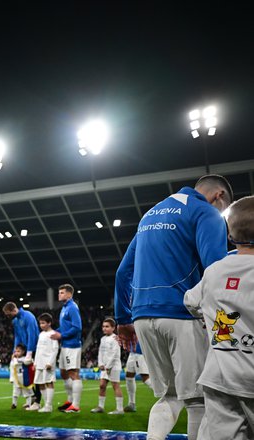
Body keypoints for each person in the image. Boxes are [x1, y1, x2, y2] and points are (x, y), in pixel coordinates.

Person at [115, 174, 233, 440]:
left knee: (169, 396)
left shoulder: (150, 215)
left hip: (142, 317)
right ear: (219, 197)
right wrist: (220, 320)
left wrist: (123, 319)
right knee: (198, 400)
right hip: (182, 314)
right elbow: (215, 269)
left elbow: (123, 272)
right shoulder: (205, 212)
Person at [184, 195, 254, 440]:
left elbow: (190, 301)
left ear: (230, 236)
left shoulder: (214, 270)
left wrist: (207, 314)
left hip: (219, 377)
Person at [2, 301, 42, 410]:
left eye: (8, 314)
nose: (8, 317)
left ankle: (38, 402)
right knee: (27, 376)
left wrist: (29, 353)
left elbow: (32, 335)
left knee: (35, 376)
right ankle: (33, 399)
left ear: (13, 310)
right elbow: (17, 337)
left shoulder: (28, 317)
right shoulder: (15, 320)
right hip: (25, 351)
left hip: (34, 350)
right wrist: (15, 352)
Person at [51, 283, 83, 413]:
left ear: (70, 294)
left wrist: (61, 335)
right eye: (59, 292)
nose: (59, 294)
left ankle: (75, 405)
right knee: (63, 372)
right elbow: (65, 327)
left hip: (72, 346)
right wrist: (53, 332)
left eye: (62, 292)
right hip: (65, 345)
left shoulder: (72, 308)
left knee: (73, 374)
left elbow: (77, 327)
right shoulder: (64, 308)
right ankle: (70, 400)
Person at [91, 318, 124, 415]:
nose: (104, 328)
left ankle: (120, 409)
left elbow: (115, 354)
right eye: (103, 326)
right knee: (102, 386)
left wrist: (108, 366)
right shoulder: (103, 339)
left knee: (115, 386)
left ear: (113, 328)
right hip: (105, 367)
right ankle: (100, 407)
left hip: (113, 366)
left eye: (107, 326)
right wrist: (100, 363)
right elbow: (100, 352)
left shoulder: (115, 338)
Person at [33, 312, 58, 413]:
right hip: (39, 363)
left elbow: (55, 349)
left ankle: (49, 405)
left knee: (49, 383)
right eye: (40, 323)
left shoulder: (53, 334)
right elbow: (38, 349)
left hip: (48, 363)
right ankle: (46, 404)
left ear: (49, 323)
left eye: (43, 323)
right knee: (40, 383)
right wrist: (35, 362)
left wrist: (50, 362)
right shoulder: (41, 334)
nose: (41, 325)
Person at [124, 342, 153, 412]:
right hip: (132, 352)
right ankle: (132, 403)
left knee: (145, 378)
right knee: (129, 376)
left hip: (140, 353)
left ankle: (167, 396)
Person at [9, 344, 36, 410]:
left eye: (18, 351)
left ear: (23, 352)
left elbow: (29, 361)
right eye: (15, 351)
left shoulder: (25, 359)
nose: (16, 353)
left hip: (24, 378)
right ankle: (14, 403)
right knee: (15, 392)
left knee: (27, 392)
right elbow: (12, 369)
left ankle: (28, 404)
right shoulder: (13, 361)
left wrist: (16, 360)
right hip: (17, 379)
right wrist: (11, 379)